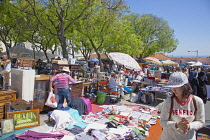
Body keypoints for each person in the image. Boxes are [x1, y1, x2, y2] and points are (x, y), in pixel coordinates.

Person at [160, 72, 205, 140]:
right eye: (172, 87)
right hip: (169, 137)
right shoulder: (168, 102)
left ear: (185, 86)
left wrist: (189, 126)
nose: (173, 89)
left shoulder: (197, 101)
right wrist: (177, 125)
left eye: (176, 87)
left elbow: (201, 122)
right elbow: (162, 122)